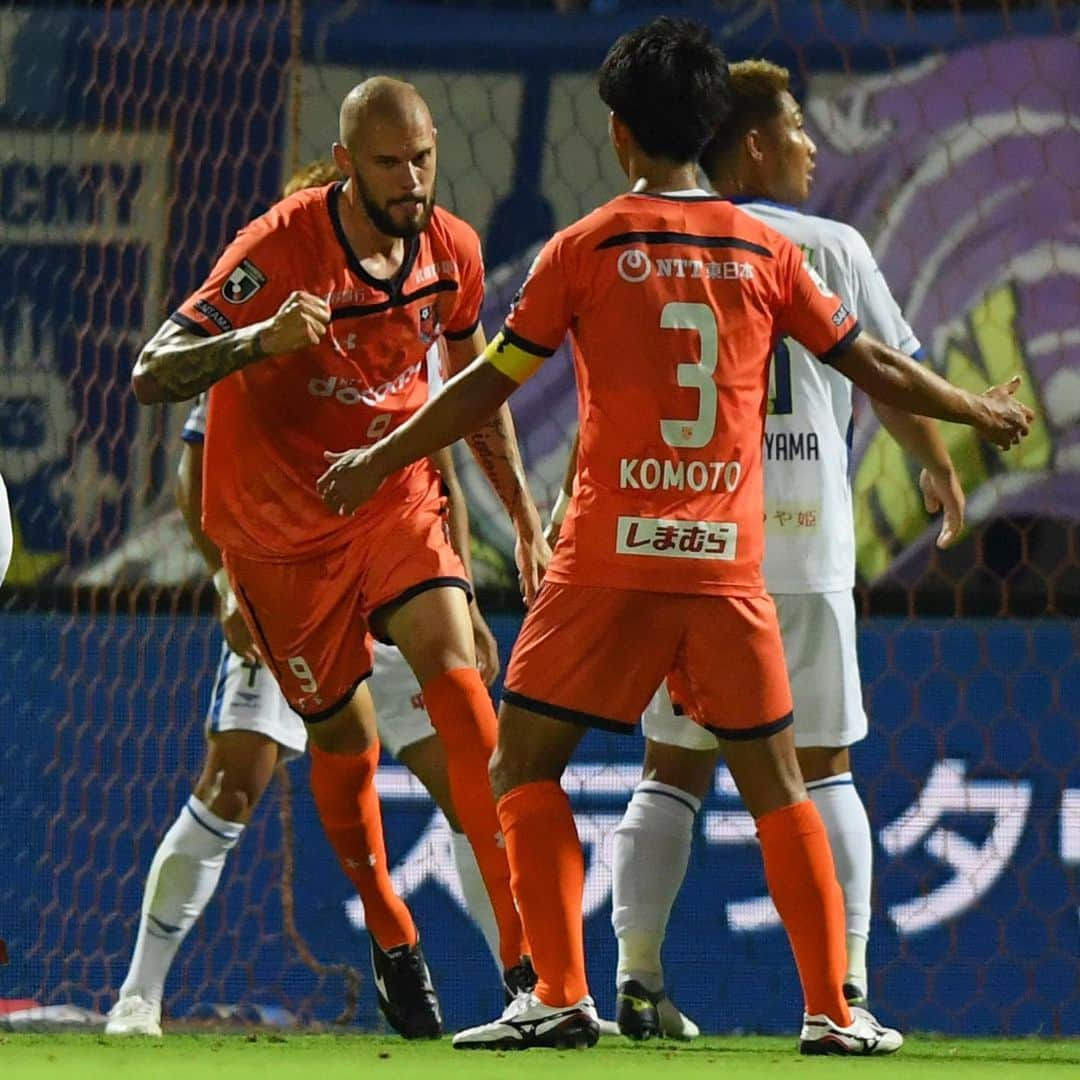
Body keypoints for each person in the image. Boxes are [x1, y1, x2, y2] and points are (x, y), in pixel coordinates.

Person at [315, 18, 1031, 1054]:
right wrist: (970, 409)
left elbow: (485, 384)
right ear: (710, 129)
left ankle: (563, 994)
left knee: (524, 763)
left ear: (618, 133)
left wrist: (382, 459)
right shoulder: (769, 248)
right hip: (727, 568)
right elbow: (872, 362)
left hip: (609, 560)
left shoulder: (588, 245)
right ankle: (835, 1012)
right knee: (786, 781)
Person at [556, 57, 970, 1040]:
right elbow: (889, 372)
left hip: (694, 540)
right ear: (749, 143)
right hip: (805, 544)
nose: (811, 146)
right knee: (822, 767)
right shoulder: (828, 246)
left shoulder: (662, 241)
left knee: (672, 766)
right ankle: (846, 999)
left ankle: (639, 981)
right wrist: (937, 465)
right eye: (794, 128)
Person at [130, 78, 547, 1028]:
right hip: (285, 530)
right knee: (344, 743)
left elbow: (474, 387)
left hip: (392, 498)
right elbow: (153, 370)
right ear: (350, 163)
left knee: (459, 690)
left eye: (425, 158)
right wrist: (256, 338)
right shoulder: (277, 248)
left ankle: (532, 970)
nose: (414, 180)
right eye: (393, 163)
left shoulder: (452, 252)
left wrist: (519, 514)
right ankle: (388, 923)